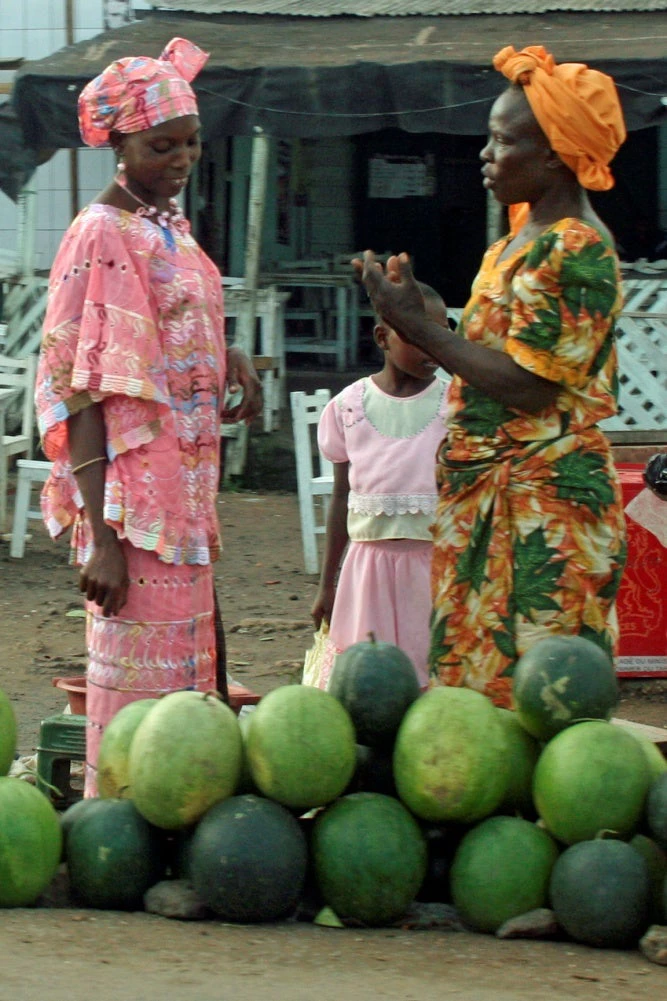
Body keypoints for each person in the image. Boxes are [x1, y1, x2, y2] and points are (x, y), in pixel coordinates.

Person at [354, 44, 628, 709]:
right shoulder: (517, 240)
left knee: (543, 691)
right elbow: (492, 352)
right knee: (479, 700)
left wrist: (417, 329)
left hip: (542, 511)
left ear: (553, 155)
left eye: (502, 141)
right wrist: (416, 309)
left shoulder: (575, 247)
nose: (484, 153)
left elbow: (528, 386)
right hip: (492, 500)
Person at [34, 37, 262, 795]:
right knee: (143, 698)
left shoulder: (167, 225)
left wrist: (226, 359)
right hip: (135, 512)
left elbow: (168, 329)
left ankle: (183, 823)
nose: (182, 159)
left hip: (186, 497)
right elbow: (81, 386)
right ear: (118, 142)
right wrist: (99, 536)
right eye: (161, 145)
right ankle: (128, 829)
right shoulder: (102, 232)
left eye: (191, 143)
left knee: (192, 677)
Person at [307, 283, 450, 691]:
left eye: (438, 335)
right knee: (365, 687)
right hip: (366, 572)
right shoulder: (347, 408)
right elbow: (339, 500)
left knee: (429, 684)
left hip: (435, 571)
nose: (430, 348)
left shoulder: (458, 407)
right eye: (416, 334)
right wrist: (326, 585)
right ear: (382, 337)